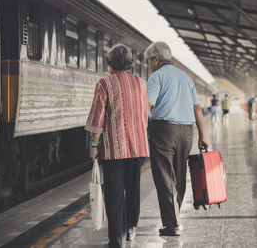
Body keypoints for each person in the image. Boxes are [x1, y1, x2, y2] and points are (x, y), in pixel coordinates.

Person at [85, 44, 149, 248]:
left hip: (113, 149)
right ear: (129, 63)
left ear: (110, 64)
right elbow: (145, 115)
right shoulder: (141, 83)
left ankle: (116, 240)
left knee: (114, 194)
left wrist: (94, 144)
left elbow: (98, 117)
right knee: (133, 190)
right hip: (137, 146)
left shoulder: (104, 83)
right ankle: (131, 229)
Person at [145, 42, 209, 237]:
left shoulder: (156, 77)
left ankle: (173, 223)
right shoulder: (186, 78)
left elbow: (147, 105)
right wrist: (203, 135)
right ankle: (174, 217)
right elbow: (197, 108)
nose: (149, 64)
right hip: (187, 132)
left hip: (164, 130)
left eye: (149, 60)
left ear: (156, 59)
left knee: (164, 176)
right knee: (179, 175)